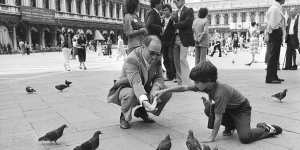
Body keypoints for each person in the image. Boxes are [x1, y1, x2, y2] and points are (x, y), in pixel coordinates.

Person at [154, 61, 282, 144]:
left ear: (208, 81)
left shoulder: (220, 92)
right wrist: (164, 91)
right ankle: (231, 126)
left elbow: (218, 118)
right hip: (229, 108)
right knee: (208, 109)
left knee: (245, 138)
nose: (195, 84)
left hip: (242, 109)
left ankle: (265, 128)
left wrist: (212, 137)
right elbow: (184, 88)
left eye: (197, 82)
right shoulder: (205, 85)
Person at [107, 35, 172, 129]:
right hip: (127, 86)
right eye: (152, 53)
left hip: (144, 85)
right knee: (131, 93)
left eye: (157, 54)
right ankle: (124, 116)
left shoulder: (157, 58)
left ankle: (142, 111)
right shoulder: (132, 59)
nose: (155, 57)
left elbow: (159, 77)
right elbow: (136, 83)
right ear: (143, 47)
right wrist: (145, 100)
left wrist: (155, 90)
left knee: (166, 92)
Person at [173, 0, 194, 85]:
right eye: (174, 2)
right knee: (176, 60)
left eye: (176, 1)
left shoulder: (189, 10)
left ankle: (188, 80)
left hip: (184, 38)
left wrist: (176, 25)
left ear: (182, 1)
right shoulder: (175, 12)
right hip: (175, 38)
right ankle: (179, 80)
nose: (175, 3)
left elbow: (188, 23)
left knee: (182, 59)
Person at [265, 0, 286, 84]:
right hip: (275, 32)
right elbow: (273, 24)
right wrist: (280, 28)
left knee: (275, 55)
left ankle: (274, 76)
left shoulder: (276, 8)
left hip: (275, 32)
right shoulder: (275, 9)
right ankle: (270, 77)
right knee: (273, 55)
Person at [161, 4, 176, 81]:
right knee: (165, 59)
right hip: (163, 42)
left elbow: (174, 30)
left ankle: (174, 75)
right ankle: (169, 75)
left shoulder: (173, 19)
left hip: (171, 42)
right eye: (163, 10)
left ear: (170, 11)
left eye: (166, 10)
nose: (164, 11)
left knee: (171, 58)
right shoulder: (162, 20)